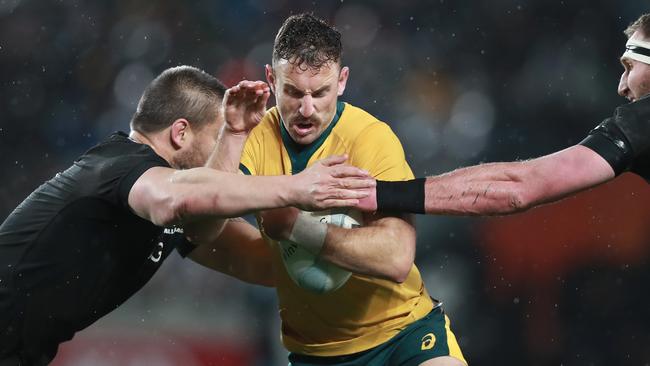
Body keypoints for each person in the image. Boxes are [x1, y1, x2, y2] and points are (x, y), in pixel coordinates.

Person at [0, 65, 374, 366]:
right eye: (218, 137)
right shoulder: (122, 168)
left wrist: (351, 254)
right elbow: (174, 199)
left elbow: (258, 262)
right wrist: (298, 186)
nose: (234, 158)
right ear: (181, 133)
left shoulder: (181, 207)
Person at [230, 14, 466, 366]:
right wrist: (231, 136)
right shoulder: (253, 133)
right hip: (317, 353)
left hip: (404, 334)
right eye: (293, 92)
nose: (306, 109)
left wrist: (296, 225)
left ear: (342, 82)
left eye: (320, 92)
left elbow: (397, 257)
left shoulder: (371, 138)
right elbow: (207, 207)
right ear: (270, 79)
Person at [362, 13, 650, 217]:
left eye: (629, 67)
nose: (621, 87)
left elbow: (518, 189)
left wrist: (382, 195)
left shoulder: (642, 119)